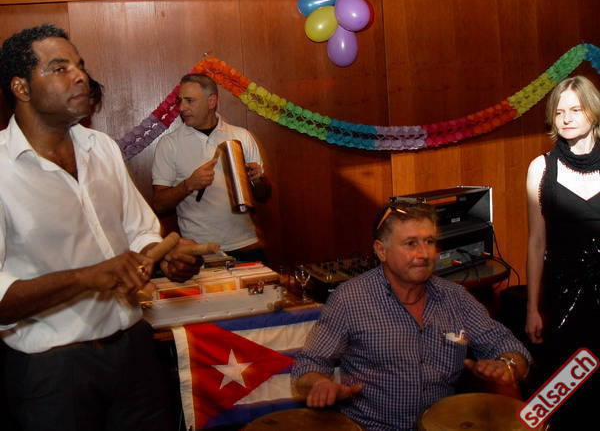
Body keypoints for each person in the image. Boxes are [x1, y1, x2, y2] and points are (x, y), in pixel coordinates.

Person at [0, 24, 202, 431]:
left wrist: (162, 259)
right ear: (21, 88)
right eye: (60, 68)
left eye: (80, 65)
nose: (80, 76)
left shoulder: (102, 148)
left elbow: (141, 232)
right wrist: (87, 278)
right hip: (53, 373)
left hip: (133, 350)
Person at [291, 201, 532, 430]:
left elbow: (510, 348)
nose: (424, 253)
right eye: (411, 243)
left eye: (429, 241)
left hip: (443, 426)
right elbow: (308, 365)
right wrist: (319, 384)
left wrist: (507, 365)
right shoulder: (350, 299)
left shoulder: (455, 298)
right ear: (381, 251)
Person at [524, 75, 600, 429]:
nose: (566, 118)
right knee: (564, 389)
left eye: (575, 109)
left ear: (593, 111)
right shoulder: (541, 167)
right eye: (559, 112)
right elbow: (536, 242)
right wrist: (532, 308)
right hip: (562, 296)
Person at [152, 74, 270, 263]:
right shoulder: (169, 144)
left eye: (189, 101)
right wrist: (188, 185)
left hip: (247, 246)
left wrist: (258, 180)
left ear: (211, 101)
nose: (182, 108)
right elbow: (159, 204)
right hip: (199, 251)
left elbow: (263, 195)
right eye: (180, 101)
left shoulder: (242, 136)